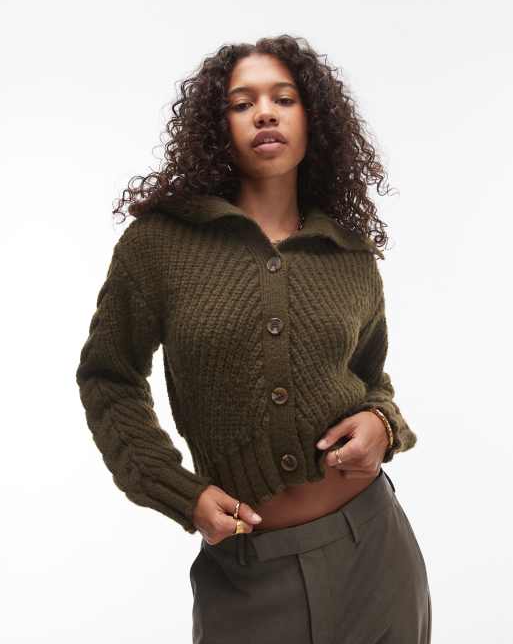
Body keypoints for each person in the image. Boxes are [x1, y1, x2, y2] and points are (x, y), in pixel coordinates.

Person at [76, 34, 431, 643]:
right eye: (242, 103)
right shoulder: (160, 245)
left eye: (283, 99)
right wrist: (180, 493)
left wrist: (382, 423)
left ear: (313, 119)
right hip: (247, 573)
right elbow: (108, 378)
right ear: (217, 128)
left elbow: (372, 378)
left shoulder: (347, 253)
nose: (265, 113)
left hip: (375, 552)